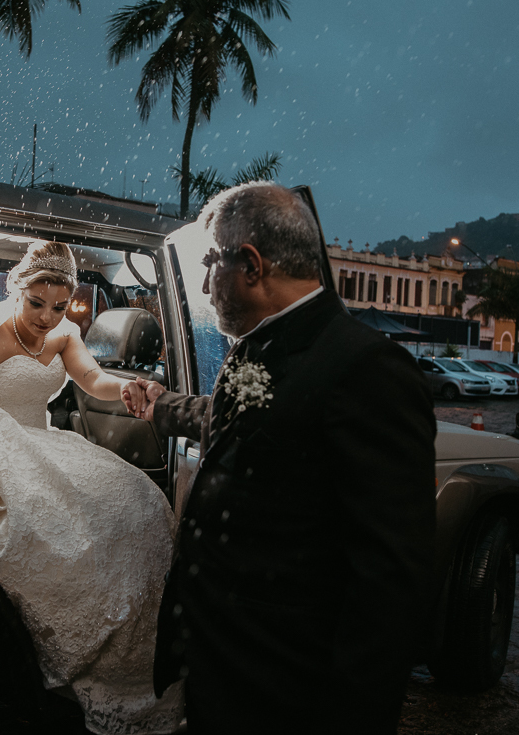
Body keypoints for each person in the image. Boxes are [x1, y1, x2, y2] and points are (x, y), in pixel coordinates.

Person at [131, 182, 436, 733]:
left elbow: (390, 580)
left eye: (208, 265)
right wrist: (161, 406)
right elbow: (239, 424)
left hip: (285, 688)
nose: (203, 283)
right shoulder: (262, 343)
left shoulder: (366, 368)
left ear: (250, 264)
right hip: (224, 664)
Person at [0, 240, 184, 735]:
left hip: (40, 439)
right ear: (17, 291)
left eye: (59, 306)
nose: (46, 317)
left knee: (140, 504)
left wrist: (126, 387)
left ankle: (131, 654)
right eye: (36, 304)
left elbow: (93, 378)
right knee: (42, 526)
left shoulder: (63, 333)